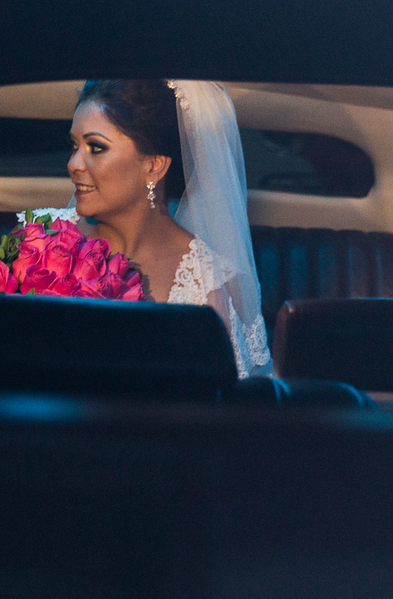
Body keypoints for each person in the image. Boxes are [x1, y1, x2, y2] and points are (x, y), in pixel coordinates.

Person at [24, 79, 272, 379]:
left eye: (96, 147)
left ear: (153, 166)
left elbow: (222, 408)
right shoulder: (38, 238)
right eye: (74, 146)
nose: (74, 163)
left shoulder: (210, 286)